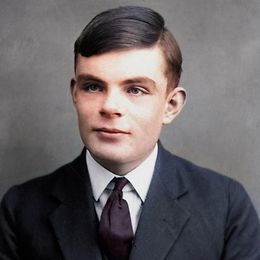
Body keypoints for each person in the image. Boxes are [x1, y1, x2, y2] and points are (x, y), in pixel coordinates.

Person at [0, 5, 260, 260]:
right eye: (92, 86)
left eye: (135, 89)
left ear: (171, 106)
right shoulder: (20, 208)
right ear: (75, 94)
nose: (110, 106)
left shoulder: (225, 205)